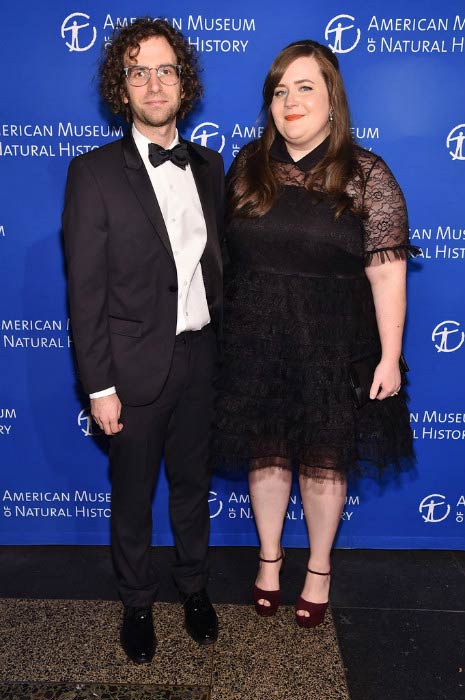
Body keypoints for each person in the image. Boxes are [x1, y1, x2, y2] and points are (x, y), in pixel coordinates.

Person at [212, 40, 417, 628]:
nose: (290, 101)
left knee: (324, 463)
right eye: (280, 91)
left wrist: (390, 358)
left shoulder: (367, 174)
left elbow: (386, 274)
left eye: (305, 88)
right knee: (267, 454)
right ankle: (270, 561)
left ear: (333, 98)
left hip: (332, 342)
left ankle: (319, 568)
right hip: (255, 339)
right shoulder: (247, 166)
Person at [63, 18, 223, 663]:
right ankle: (136, 602)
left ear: (183, 84)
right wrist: (100, 387)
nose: (153, 84)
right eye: (138, 72)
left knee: (191, 486)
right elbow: (85, 293)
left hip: (202, 358)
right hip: (130, 370)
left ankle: (194, 588)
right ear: (121, 88)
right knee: (133, 497)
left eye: (165, 70)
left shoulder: (211, 166)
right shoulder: (93, 173)